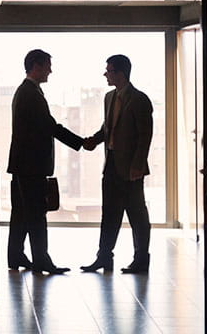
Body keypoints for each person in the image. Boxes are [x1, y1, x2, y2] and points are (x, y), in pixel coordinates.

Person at [6, 49, 84, 274]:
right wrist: (80, 142)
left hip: (23, 164)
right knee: (36, 214)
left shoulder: (26, 91)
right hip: (31, 166)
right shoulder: (30, 93)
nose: (51, 70)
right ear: (36, 66)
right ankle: (41, 260)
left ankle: (16, 256)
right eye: (48, 65)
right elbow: (49, 126)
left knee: (21, 213)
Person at [80, 54, 153, 274]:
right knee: (109, 213)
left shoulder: (139, 99)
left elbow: (145, 135)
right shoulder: (109, 98)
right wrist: (93, 140)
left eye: (109, 71)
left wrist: (138, 165)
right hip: (111, 164)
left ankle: (141, 259)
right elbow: (108, 128)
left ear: (120, 73)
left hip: (131, 168)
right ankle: (104, 257)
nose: (106, 74)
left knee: (137, 214)